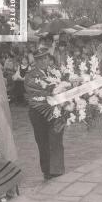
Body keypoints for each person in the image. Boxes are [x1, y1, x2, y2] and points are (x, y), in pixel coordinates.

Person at [24, 48, 65, 179]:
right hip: (39, 113)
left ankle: (57, 168)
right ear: (35, 61)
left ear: (49, 59)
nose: (43, 61)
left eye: (45, 58)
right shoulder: (30, 75)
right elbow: (34, 92)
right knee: (43, 141)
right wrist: (54, 92)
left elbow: (63, 85)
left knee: (56, 139)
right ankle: (47, 170)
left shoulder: (54, 72)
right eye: (40, 59)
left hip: (55, 111)